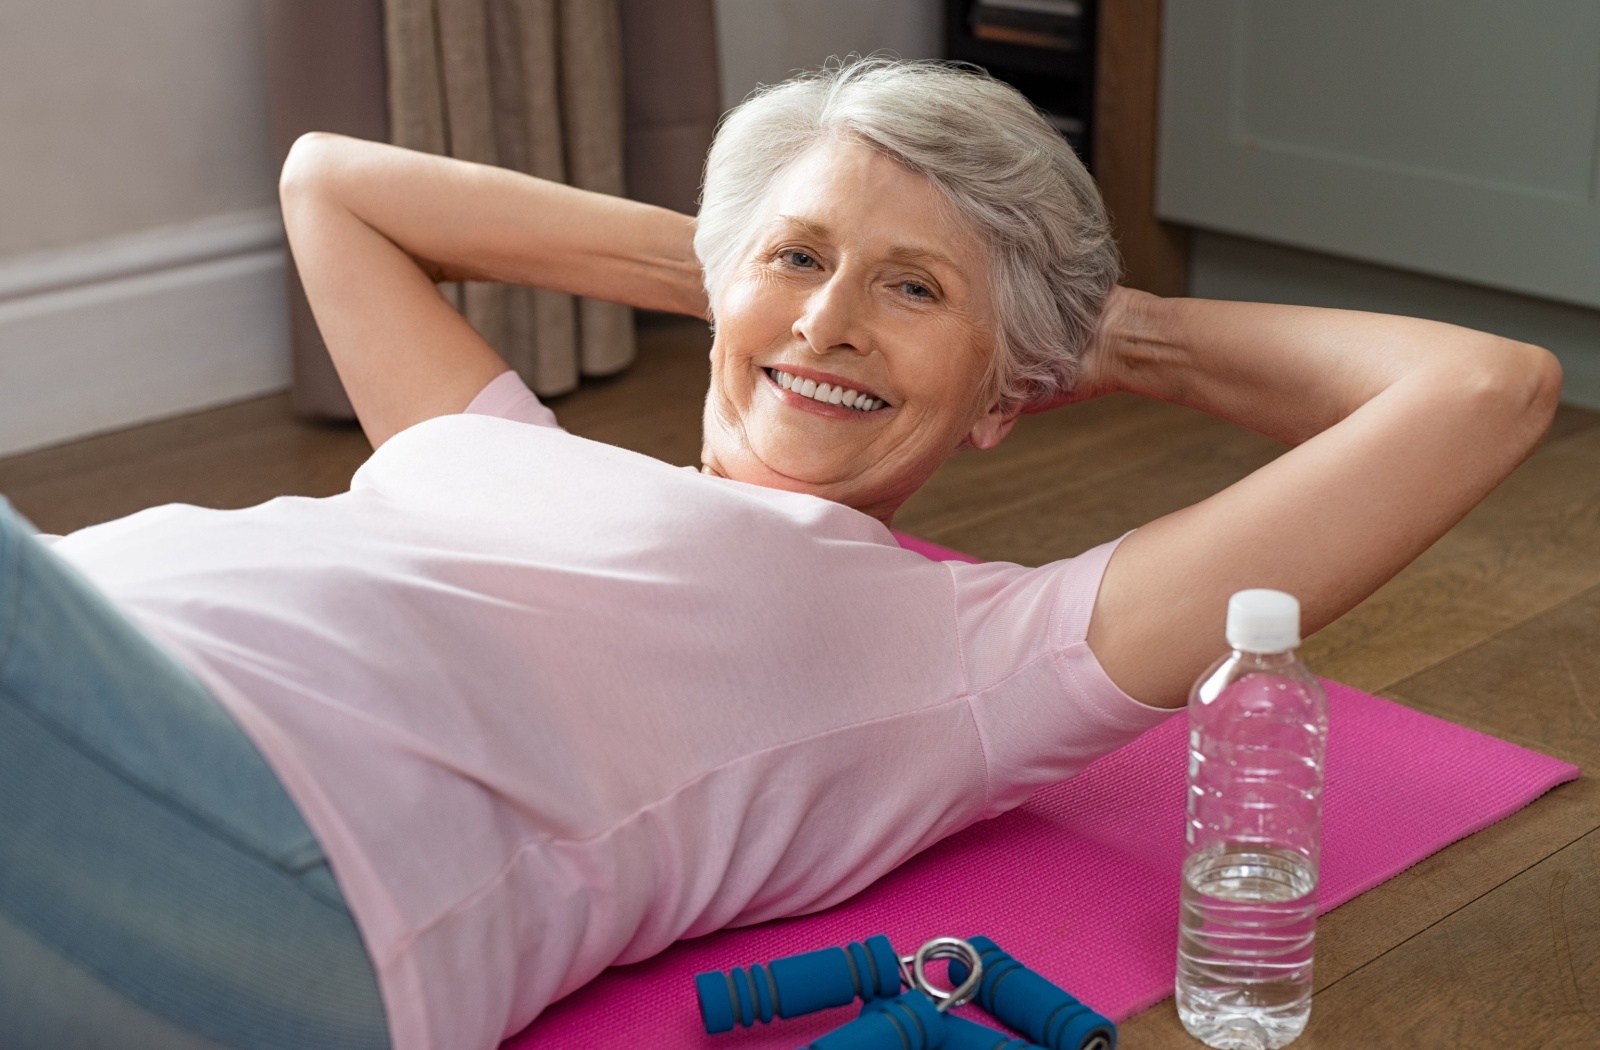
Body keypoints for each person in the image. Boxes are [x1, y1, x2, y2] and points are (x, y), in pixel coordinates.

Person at [0, 59, 1559, 1050]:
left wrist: (1084, 329)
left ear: (1014, 394)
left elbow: (1485, 390)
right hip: (96, 702)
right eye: (801, 264)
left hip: (269, 852)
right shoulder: (491, 442)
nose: (826, 320)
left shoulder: (979, 659)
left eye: (912, 293)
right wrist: (762, 262)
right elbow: (334, 180)